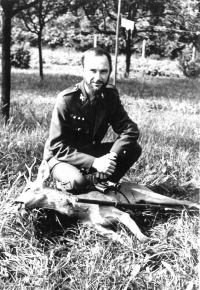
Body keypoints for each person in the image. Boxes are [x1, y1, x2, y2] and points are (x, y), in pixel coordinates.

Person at [43, 47, 141, 193]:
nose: (98, 77)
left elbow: (130, 129)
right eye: (92, 71)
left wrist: (111, 158)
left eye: (103, 71)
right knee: (76, 182)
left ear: (110, 72)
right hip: (63, 157)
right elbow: (57, 147)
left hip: (91, 151)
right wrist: (95, 162)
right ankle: (71, 182)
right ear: (82, 70)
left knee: (133, 148)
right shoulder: (67, 100)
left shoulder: (110, 96)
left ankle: (100, 181)